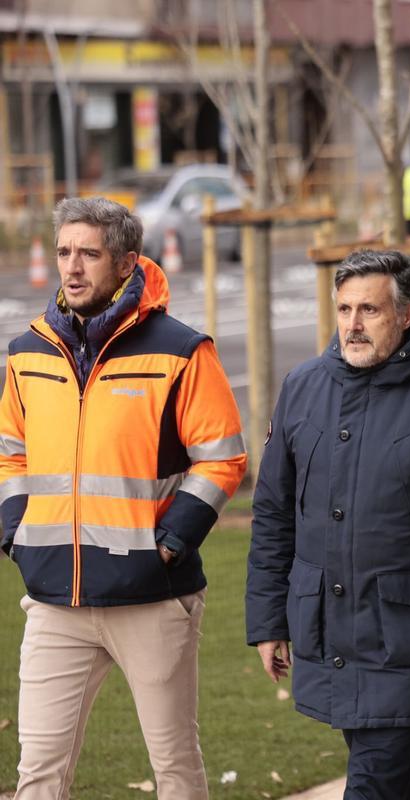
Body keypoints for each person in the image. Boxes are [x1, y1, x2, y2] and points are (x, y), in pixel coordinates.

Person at [0, 197, 247, 799]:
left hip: (151, 598)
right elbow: (9, 452)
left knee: (175, 768)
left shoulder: (183, 350)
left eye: (89, 253)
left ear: (126, 262)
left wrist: (168, 545)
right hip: (55, 599)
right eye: (64, 252)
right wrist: (16, 537)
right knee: (37, 773)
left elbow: (221, 457)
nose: (72, 267)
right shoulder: (26, 353)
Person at [245, 249, 410, 800]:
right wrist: (269, 619)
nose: (352, 324)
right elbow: (274, 511)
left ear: (407, 313)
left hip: (409, 630)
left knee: (372, 779)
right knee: (388, 779)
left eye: (369, 310)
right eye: (344, 308)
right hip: (325, 622)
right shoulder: (303, 386)